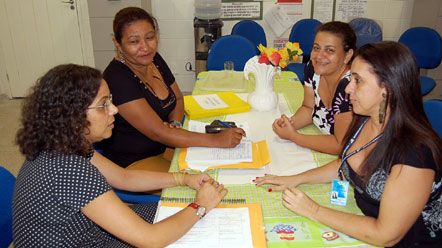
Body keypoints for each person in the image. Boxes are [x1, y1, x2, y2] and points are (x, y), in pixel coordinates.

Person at [13, 64, 228, 247]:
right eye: (103, 105)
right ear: (72, 115)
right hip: (90, 241)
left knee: (171, 211)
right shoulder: (68, 168)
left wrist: (183, 178)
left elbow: (123, 178)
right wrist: (199, 207)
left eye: (111, 100)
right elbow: (150, 239)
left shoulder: (62, 145)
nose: (114, 110)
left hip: (88, 237)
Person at [256, 42, 442, 247]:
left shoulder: (414, 156)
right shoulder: (365, 118)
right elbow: (346, 162)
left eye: (358, 81)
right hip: (366, 220)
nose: (348, 88)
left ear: (386, 90)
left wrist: (313, 210)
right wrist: (295, 179)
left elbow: (386, 235)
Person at [97, 7, 245, 169]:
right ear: (117, 43)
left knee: (219, 167)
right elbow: (158, 132)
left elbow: (179, 98)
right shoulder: (117, 79)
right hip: (135, 161)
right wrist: (217, 140)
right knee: (197, 182)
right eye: (134, 41)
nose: (145, 47)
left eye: (150, 37)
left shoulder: (153, 59)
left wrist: (174, 122)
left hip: (164, 146)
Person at [273, 21, 356, 154]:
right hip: (324, 140)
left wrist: (294, 136)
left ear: (347, 56)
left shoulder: (348, 87)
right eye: (317, 48)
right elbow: (308, 109)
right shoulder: (312, 69)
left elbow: (340, 145)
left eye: (330, 50)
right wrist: (289, 124)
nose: (319, 56)